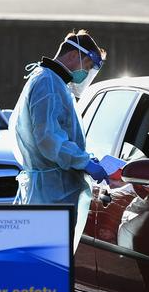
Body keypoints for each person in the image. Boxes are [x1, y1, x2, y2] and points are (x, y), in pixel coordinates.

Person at [9, 30, 108, 249]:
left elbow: (58, 134)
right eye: (88, 66)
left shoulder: (55, 83)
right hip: (50, 194)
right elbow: (48, 138)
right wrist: (83, 162)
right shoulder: (48, 83)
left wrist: (85, 158)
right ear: (73, 56)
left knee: (50, 266)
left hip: (53, 193)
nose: (87, 73)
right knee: (45, 267)